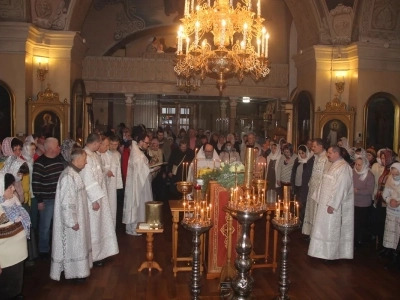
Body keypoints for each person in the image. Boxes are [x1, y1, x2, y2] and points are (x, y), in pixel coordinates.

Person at [50, 149, 93, 281]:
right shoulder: (69, 176)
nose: (86, 162)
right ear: (78, 159)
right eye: (84, 159)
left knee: (78, 244)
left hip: (78, 217)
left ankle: (79, 271)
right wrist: (72, 221)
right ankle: (75, 273)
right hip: (72, 221)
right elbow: (67, 202)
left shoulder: (74, 173)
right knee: (72, 245)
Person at [308, 146, 354, 260]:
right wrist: (318, 197)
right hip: (324, 203)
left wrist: (333, 204)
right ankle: (320, 252)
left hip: (333, 206)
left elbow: (342, 187)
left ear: (336, 153)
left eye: (329, 153)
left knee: (331, 228)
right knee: (322, 227)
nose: (327, 155)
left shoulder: (344, 167)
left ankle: (330, 254)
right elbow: (325, 182)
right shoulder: (333, 165)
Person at [80, 133, 119, 265]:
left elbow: (98, 174)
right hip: (92, 199)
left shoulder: (94, 155)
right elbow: (87, 179)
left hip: (99, 195)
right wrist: (95, 199)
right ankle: (94, 256)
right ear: (96, 143)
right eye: (101, 144)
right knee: (94, 226)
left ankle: (102, 251)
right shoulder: (85, 156)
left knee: (100, 224)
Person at [32, 137, 65, 258]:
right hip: (47, 200)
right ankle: (44, 250)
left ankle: (59, 248)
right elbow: (36, 183)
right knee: (45, 226)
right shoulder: (40, 163)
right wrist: (39, 200)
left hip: (59, 198)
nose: (59, 148)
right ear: (51, 149)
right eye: (57, 146)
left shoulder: (59, 160)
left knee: (59, 225)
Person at [0, 172, 31, 299]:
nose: (13, 189)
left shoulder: (12, 200)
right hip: (5, 258)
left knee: (16, 282)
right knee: (6, 287)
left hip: (18, 254)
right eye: (9, 187)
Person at [123, 132, 153, 235]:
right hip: (139, 184)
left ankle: (143, 224)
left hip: (142, 182)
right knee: (139, 203)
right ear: (140, 142)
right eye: (146, 142)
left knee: (142, 203)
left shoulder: (138, 152)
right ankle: (137, 225)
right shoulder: (137, 154)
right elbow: (141, 170)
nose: (148, 144)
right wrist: (151, 169)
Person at [302, 138, 330, 237]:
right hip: (312, 188)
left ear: (320, 146)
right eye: (312, 146)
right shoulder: (315, 157)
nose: (312, 148)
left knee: (317, 212)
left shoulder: (327, 158)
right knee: (311, 210)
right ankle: (310, 233)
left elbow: (326, 175)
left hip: (320, 190)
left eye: (314, 146)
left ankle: (316, 235)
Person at [381, 163, 400, 269]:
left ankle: (396, 257)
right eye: (393, 174)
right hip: (391, 210)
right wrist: (389, 200)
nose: (394, 176)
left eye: (396, 174)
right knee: (391, 233)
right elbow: (385, 193)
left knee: (398, 234)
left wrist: (398, 202)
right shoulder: (389, 179)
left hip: (399, 210)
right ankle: (391, 253)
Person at [353, 156, 375, 246]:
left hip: (363, 203)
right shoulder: (353, 172)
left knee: (361, 223)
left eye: (359, 165)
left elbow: (370, 190)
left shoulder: (369, 175)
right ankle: (354, 241)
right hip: (353, 201)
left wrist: (357, 191)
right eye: (356, 164)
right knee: (354, 223)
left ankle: (360, 240)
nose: (357, 166)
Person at [104, 135, 123, 227]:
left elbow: (118, 170)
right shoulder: (104, 154)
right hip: (105, 184)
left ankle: (112, 228)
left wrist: (118, 185)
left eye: (116, 145)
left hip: (113, 185)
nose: (114, 147)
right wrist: (106, 172)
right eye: (112, 144)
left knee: (112, 207)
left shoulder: (118, 154)